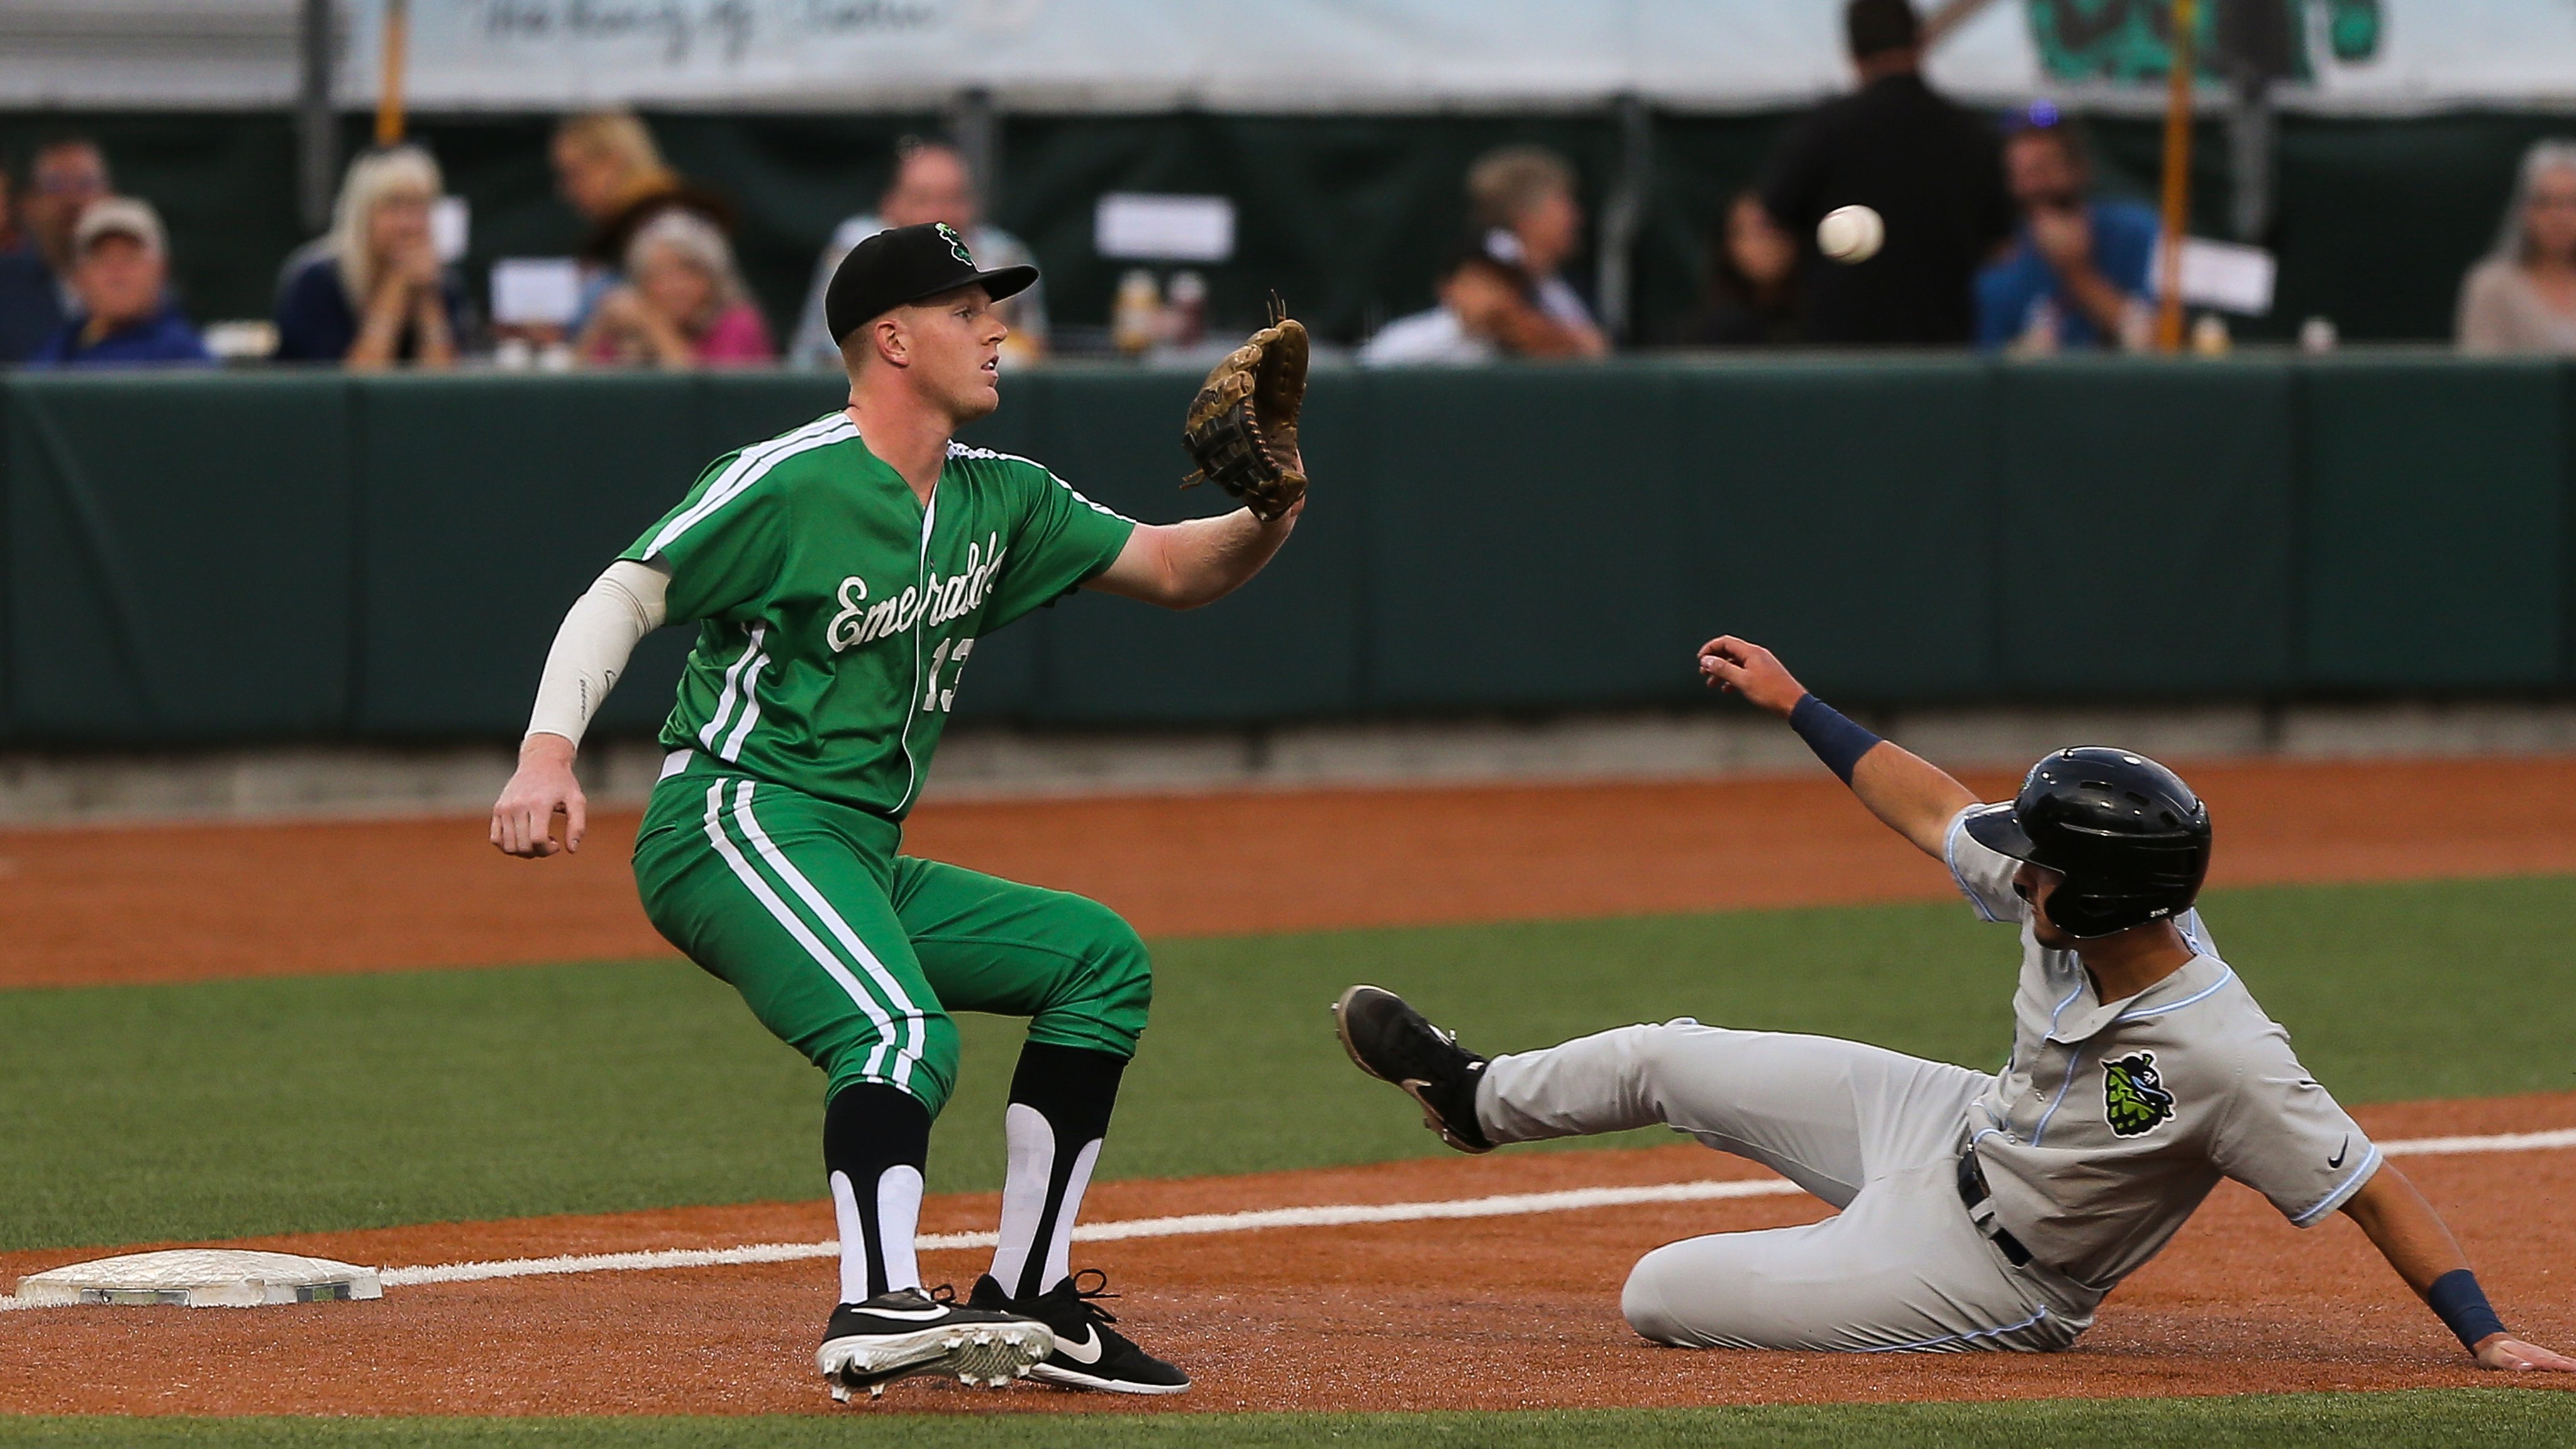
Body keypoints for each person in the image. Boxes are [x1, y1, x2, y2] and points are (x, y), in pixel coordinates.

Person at [489, 222, 1303, 1400]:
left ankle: (1033, 1294)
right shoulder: (790, 478)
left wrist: (1275, 502)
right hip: (735, 820)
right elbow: (625, 593)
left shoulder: (1000, 496)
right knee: (900, 1033)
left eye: (994, 309)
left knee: (1098, 960)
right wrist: (546, 753)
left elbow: (1177, 567)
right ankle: (874, 1298)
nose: (997, 330)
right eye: (969, 310)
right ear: (892, 336)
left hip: (858, 850)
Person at [1335, 633, 2576, 1375]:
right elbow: (1933, 806)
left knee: (1656, 1292)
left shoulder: (2225, 1058)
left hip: (1986, 1277)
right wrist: (1794, 702)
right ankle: (1475, 1096)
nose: (2013, 863)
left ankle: (1844, 1275)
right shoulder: (2082, 896)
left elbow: (2365, 1186)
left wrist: (2482, 1334)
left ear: (2095, 899)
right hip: (1944, 1129)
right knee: (1677, 1057)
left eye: (2038, 862)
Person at [1757, 0, 2014, 344]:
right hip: (1946, 361)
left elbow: (1770, 236)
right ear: (1919, 43)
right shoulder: (1975, 136)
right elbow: (2001, 250)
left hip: (1839, 360)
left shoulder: (1824, 130)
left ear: (1852, 54)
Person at [788, 138, 1047, 369]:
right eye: (923, 199)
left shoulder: (1005, 256)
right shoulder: (860, 251)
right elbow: (834, 357)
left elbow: (1030, 356)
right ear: (890, 203)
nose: (941, 214)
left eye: (954, 199)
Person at [1975, 106, 2160, 353]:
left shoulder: (2136, 233)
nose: (2033, 187)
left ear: (2079, 170)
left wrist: (2076, 272)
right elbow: (1990, 372)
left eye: (2042, 170)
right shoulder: (2002, 271)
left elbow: (2162, 343)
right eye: (2020, 175)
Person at [273, 145, 467, 367]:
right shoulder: (318, 280)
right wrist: (396, 287)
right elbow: (350, 390)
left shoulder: (445, 285)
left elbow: (444, 390)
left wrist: (428, 301)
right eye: (394, 205)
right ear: (362, 213)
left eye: (419, 206)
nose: (409, 224)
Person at [25, 197, 210, 368]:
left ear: (161, 270)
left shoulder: (183, 356)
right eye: (102, 258)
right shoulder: (59, 345)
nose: (116, 270)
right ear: (79, 277)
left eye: (130, 257)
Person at [575, 209, 774, 368]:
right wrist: (598, 328)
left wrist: (654, 325)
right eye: (659, 275)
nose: (675, 287)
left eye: (689, 271)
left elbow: (708, 399)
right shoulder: (629, 328)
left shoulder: (737, 323)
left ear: (714, 278)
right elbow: (577, 387)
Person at [1463, 146, 1608, 358]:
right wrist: (1574, 343)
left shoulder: (1551, 280)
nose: (1578, 217)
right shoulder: (1481, 268)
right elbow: (1488, 312)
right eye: (1565, 203)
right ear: (1526, 212)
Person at [2457, 138, 2576, 354]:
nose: (2560, 217)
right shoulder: (2492, 286)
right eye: (2545, 203)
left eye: (2572, 203)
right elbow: (2481, 373)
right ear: (2523, 211)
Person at [1, 136, 110, 362]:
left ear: (110, 196)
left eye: (86, 183)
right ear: (28, 204)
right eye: (55, 185)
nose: (72, 200)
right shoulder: (5, 285)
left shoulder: (143, 290)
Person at [1679, 191, 1800, 347]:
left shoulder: (1820, 318)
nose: (1765, 244)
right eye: (1751, 233)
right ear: (1726, 246)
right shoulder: (1714, 331)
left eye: (1775, 227)